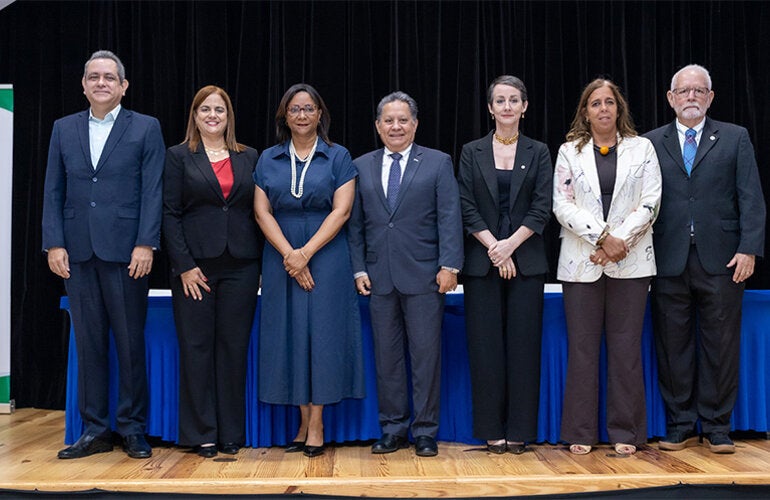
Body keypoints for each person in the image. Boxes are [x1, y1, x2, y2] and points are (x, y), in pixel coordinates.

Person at [42, 50, 164, 459]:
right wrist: (53, 243)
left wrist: (146, 243)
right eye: (93, 76)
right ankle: (94, 429)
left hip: (128, 253)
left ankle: (132, 429)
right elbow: (53, 189)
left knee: (130, 344)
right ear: (83, 84)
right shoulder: (63, 128)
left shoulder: (146, 128)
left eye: (109, 77)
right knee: (88, 343)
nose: (101, 83)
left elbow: (152, 191)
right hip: (76, 252)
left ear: (123, 86)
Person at [645, 65, 766, 454]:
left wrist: (749, 248)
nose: (691, 97)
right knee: (672, 344)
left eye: (699, 91)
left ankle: (716, 426)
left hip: (724, 260)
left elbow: (750, 197)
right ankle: (680, 423)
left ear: (711, 97)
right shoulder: (649, 143)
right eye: (684, 91)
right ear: (671, 98)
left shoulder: (735, 138)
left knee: (720, 344)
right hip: (667, 260)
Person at [348, 91, 464, 457]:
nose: (395, 126)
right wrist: (358, 268)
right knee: (387, 357)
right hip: (379, 278)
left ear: (415, 124)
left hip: (426, 277)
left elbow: (449, 216)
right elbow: (355, 225)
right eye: (389, 120)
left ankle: (426, 430)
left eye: (403, 120)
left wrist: (450, 266)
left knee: (426, 357)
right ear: (378, 126)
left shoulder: (437, 162)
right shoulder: (361, 165)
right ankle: (393, 428)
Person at [253, 83, 364, 458]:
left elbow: (343, 210)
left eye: (309, 109)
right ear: (286, 115)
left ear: (320, 114)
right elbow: (261, 211)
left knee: (323, 337)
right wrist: (289, 254)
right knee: (290, 336)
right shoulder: (268, 157)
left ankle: (317, 425)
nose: (302, 115)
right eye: (295, 109)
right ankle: (302, 421)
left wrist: (307, 253)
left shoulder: (338, 156)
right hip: (280, 254)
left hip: (327, 255)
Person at [552, 79, 661, 456]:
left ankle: (626, 432)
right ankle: (580, 430)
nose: (603, 109)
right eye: (595, 103)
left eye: (609, 102)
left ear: (619, 109)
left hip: (631, 265)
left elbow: (650, 202)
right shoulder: (569, 152)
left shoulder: (642, 148)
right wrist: (603, 238)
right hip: (581, 264)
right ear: (585, 111)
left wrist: (619, 244)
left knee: (626, 350)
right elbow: (562, 206)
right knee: (582, 350)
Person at [162, 86, 262, 458]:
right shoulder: (177, 157)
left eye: (219, 109)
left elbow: (259, 213)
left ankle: (230, 433)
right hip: (195, 269)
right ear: (195, 115)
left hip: (242, 266)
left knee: (233, 349)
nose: (213, 115)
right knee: (196, 348)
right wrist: (185, 266)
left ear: (228, 115)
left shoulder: (248, 156)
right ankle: (201, 433)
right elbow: (169, 214)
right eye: (205, 109)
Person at [457, 76, 552, 455]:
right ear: (490, 108)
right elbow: (465, 205)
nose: (508, 106)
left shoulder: (540, 151)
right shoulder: (471, 151)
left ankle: (519, 430)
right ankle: (491, 429)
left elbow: (542, 206)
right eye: (500, 100)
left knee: (524, 348)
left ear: (525, 106)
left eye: (514, 100)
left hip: (526, 262)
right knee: (485, 349)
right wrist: (494, 247)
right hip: (482, 262)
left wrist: (510, 246)